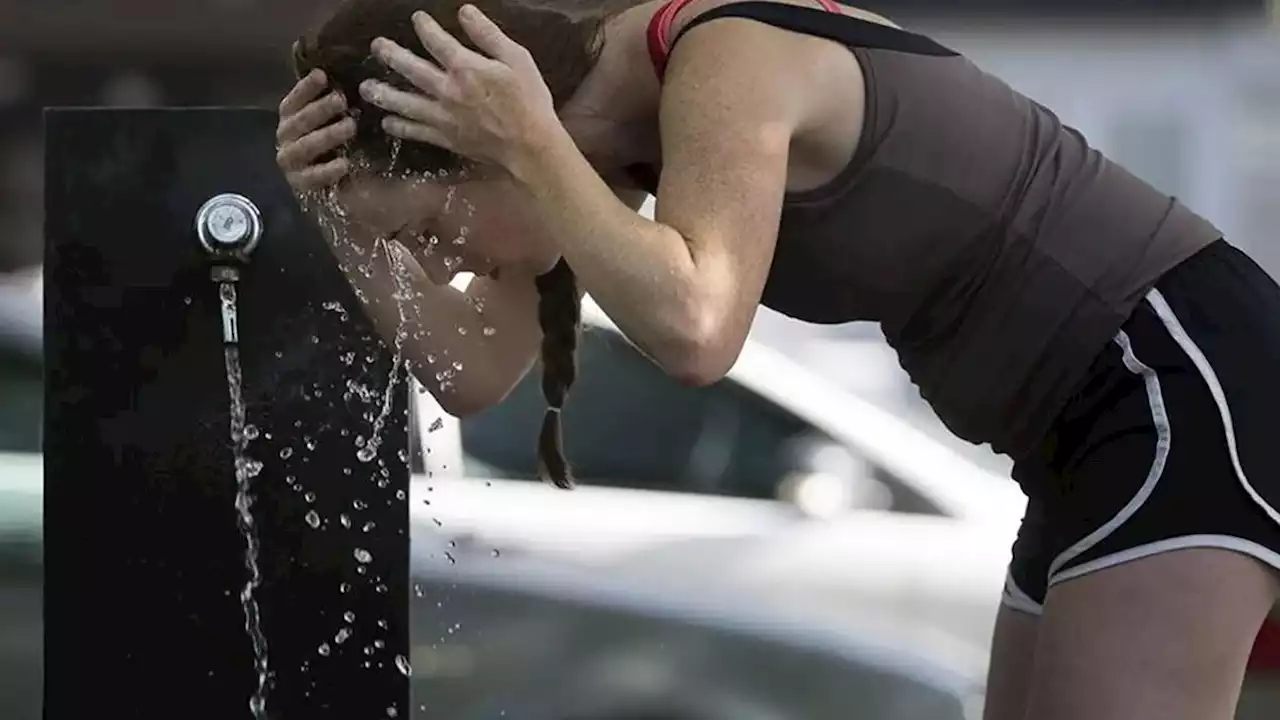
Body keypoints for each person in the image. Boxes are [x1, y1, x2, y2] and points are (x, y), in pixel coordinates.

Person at [274, 0, 1280, 718]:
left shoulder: (725, 58)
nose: (447, 266)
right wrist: (346, 222)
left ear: (484, 138)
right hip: (1071, 433)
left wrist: (534, 142)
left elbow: (699, 331)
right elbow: (476, 374)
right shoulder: (603, 155)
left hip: (1172, 372)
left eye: (430, 231)